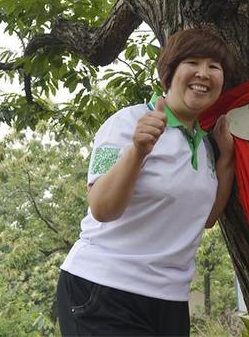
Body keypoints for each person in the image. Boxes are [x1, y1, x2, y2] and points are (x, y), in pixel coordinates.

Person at [56, 28, 236, 336]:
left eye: (214, 66)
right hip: (104, 290)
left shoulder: (205, 146)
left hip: (170, 300)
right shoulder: (128, 122)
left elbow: (205, 219)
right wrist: (138, 149)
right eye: (192, 62)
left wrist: (226, 159)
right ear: (169, 72)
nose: (203, 73)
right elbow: (102, 207)